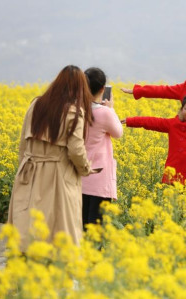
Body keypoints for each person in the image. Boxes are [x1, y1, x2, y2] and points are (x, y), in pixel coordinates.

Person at [8, 65, 99, 252]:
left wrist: (22, 169)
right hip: (57, 174)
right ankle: (56, 271)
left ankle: (26, 262)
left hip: (30, 170)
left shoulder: (36, 104)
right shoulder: (74, 112)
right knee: (59, 227)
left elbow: (23, 144)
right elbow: (76, 149)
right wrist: (85, 169)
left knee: (29, 221)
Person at [82, 67, 123, 229]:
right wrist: (110, 108)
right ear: (102, 89)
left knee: (80, 225)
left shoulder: (76, 109)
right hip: (98, 179)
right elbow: (118, 133)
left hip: (78, 176)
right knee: (96, 228)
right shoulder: (105, 113)